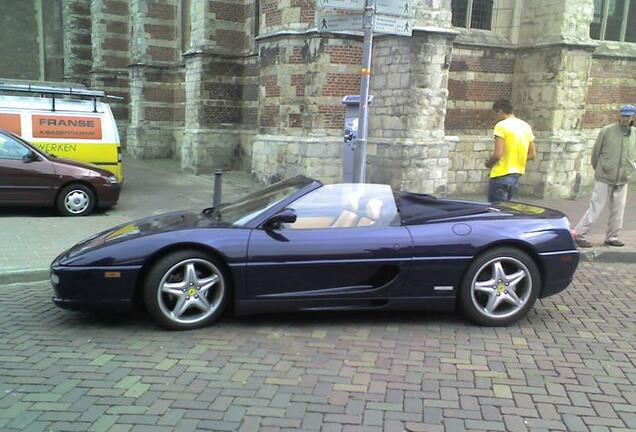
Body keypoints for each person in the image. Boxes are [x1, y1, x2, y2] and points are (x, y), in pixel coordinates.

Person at [574, 105, 636, 248]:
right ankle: (579, 234)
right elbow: (596, 153)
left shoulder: (634, 134)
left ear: (633, 117)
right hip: (605, 176)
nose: (626, 118)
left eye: (629, 116)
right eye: (624, 115)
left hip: (623, 177)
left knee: (618, 209)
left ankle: (612, 237)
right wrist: (601, 169)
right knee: (596, 206)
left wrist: (631, 169)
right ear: (619, 115)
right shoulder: (607, 131)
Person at [485, 99, 537, 202]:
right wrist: (515, 159)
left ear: (499, 111)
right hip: (516, 175)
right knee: (509, 212)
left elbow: (498, 155)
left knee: (496, 212)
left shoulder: (501, 126)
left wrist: (488, 164)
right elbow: (532, 154)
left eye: (496, 114)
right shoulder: (526, 126)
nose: (496, 117)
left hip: (500, 175)